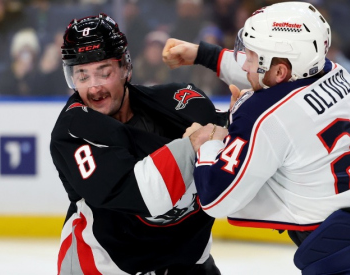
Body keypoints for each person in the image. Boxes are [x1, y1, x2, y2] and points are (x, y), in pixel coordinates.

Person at [162, 2, 350, 274]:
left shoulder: (265, 115)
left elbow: (216, 198)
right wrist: (203, 54)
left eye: (252, 55)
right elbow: (270, 77)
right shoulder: (333, 72)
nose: (244, 63)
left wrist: (208, 142)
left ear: (280, 71)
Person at [50, 13, 227, 275]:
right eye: (82, 76)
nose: (95, 87)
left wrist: (242, 117)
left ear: (125, 68)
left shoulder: (181, 102)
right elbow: (139, 193)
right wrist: (192, 145)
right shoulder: (73, 132)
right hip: (107, 265)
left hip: (186, 260)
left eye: (104, 72)